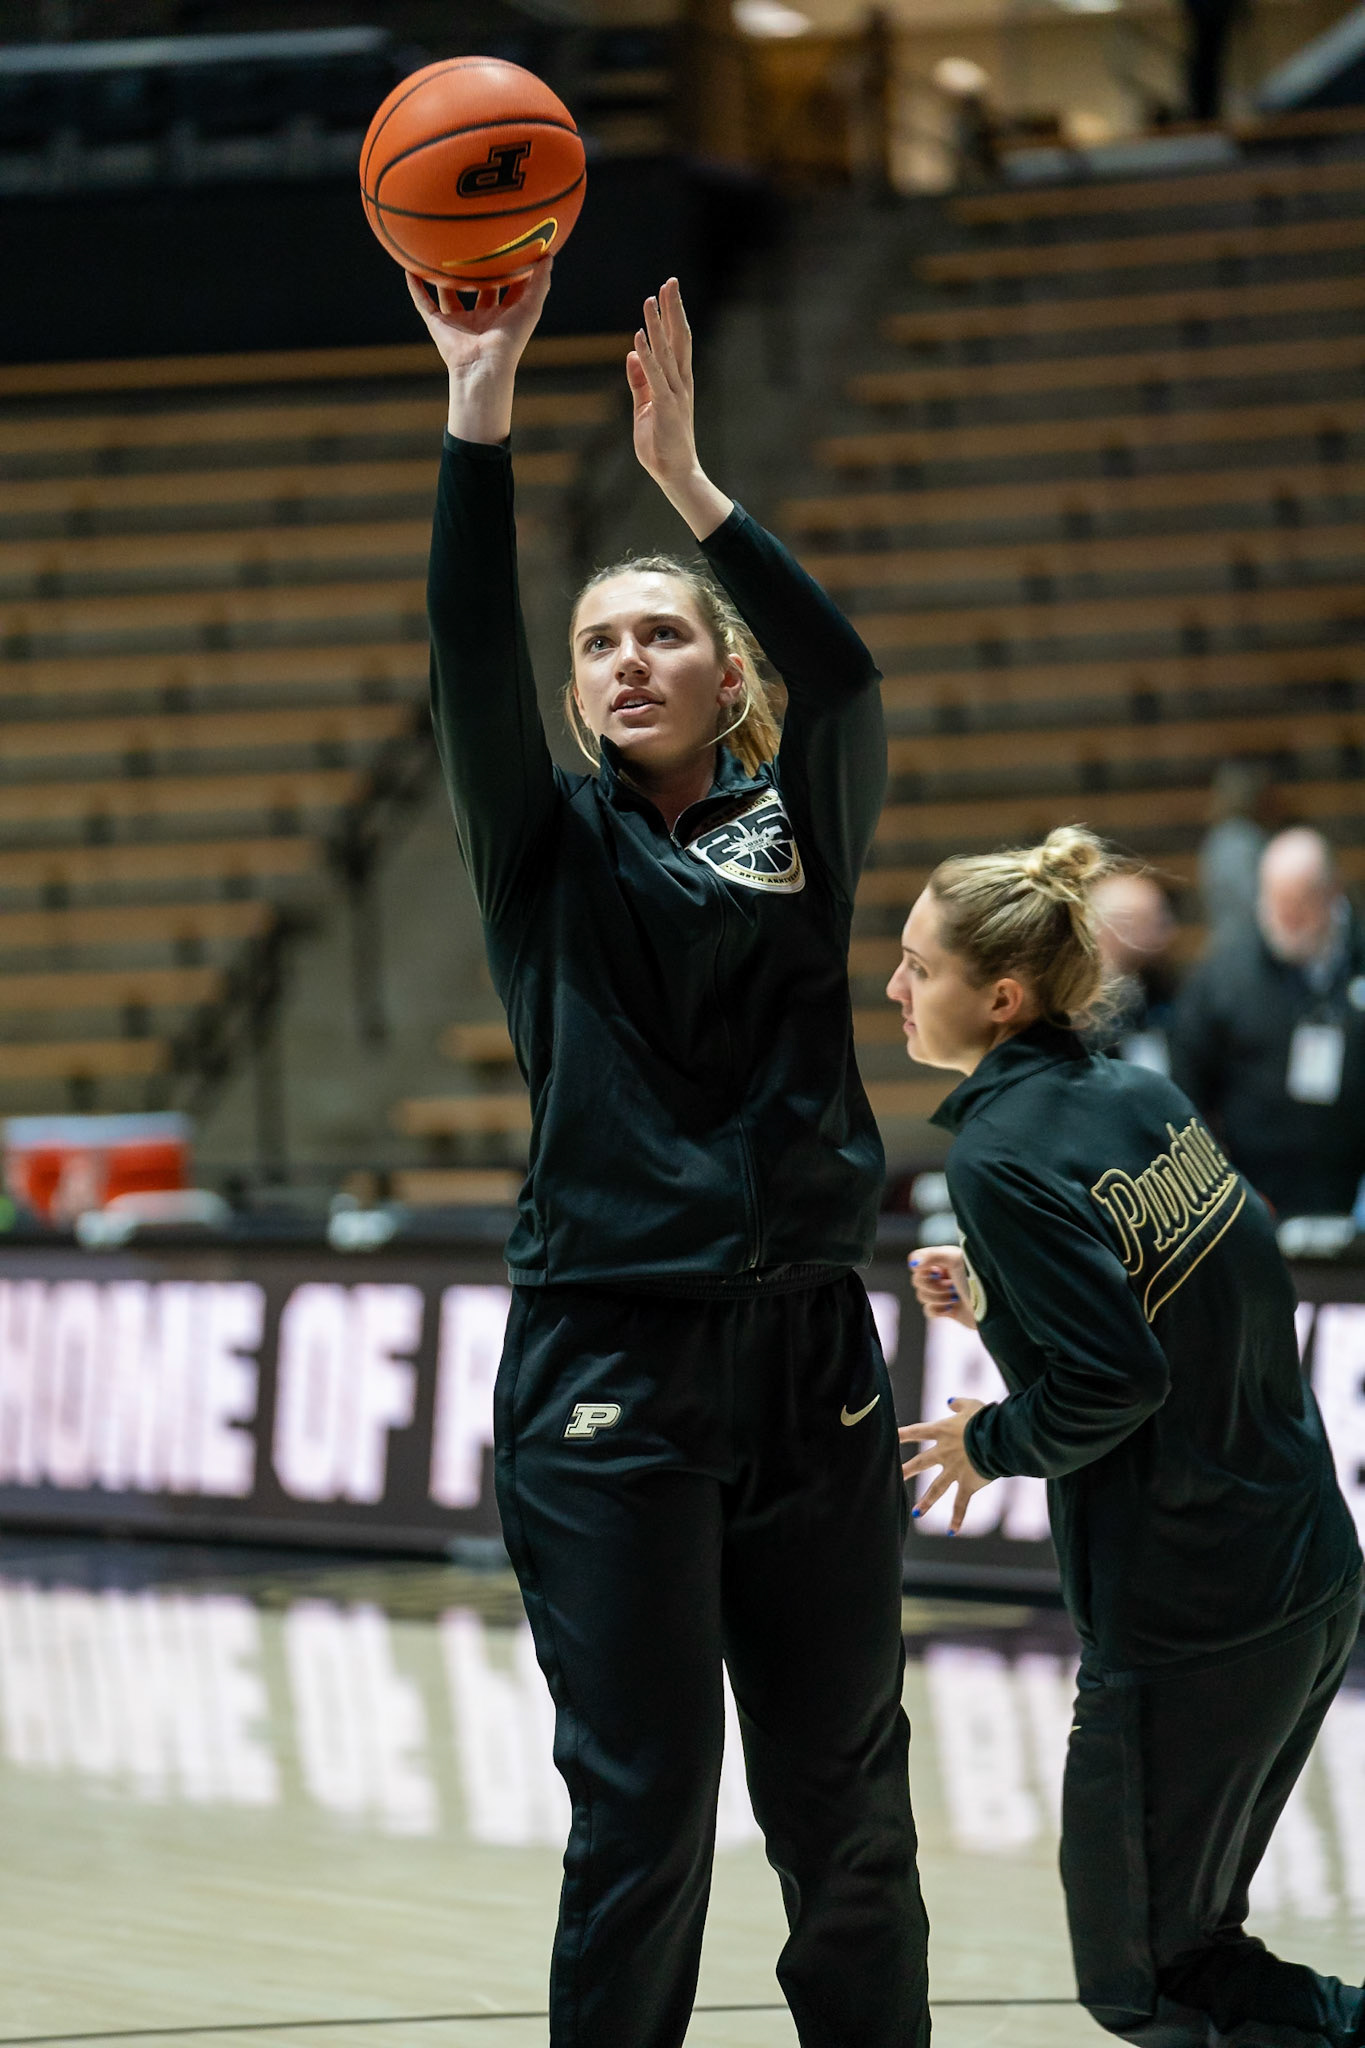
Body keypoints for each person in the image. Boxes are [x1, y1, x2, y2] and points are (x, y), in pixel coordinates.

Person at [405, 260, 928, 2048]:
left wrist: (690, 483)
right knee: (646, 1819)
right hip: (610, 1369)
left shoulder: (803, 826)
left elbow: (846, 676)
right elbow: (466, 653)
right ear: (573, 695)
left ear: (724, 674)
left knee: (850, 1807)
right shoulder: (540, 848)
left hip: (813, 1363)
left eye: (663, 632)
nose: (628, 657)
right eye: (599, 643)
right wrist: (479, 409)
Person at [887, 824, 1363, 2048]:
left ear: (1001, 996)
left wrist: (987, 1442)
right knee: (1196, 1952)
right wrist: (1000, 1300)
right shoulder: (1139, 1094)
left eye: (919, 966)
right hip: (1307, 1571)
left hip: (1192, 1613)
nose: (893, 987)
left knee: (1145, 1979)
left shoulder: (997, 1156)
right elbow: (1217, 1301)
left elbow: (1114, 1380)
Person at [1171, 826, 1365, 1218]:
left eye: (1300, 901)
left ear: (1333, 891)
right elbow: (1187, 1084)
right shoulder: (1224, 975)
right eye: (1276, 901)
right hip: (1256, 1194)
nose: (1287, 917)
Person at [1087, 867, 1178, 1074]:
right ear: (1120, 928)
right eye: (1157, 922)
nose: (1170, 932)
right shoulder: (1085, 1007)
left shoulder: (1154, 983)